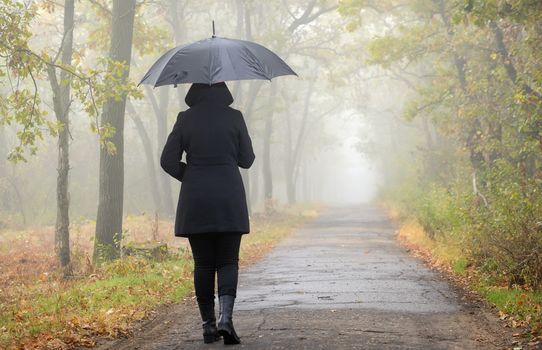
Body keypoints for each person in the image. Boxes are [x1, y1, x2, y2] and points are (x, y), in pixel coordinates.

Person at [160, 82, 255, 345]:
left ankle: (208, 327)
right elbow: (247, 159)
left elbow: (167, 161)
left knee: (203, 263)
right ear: (223, 90)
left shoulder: (185, 119)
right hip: (228, 197)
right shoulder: (234, 117)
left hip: (196, 199)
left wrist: (191, 175)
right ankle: (226, 318)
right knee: (227, 261)